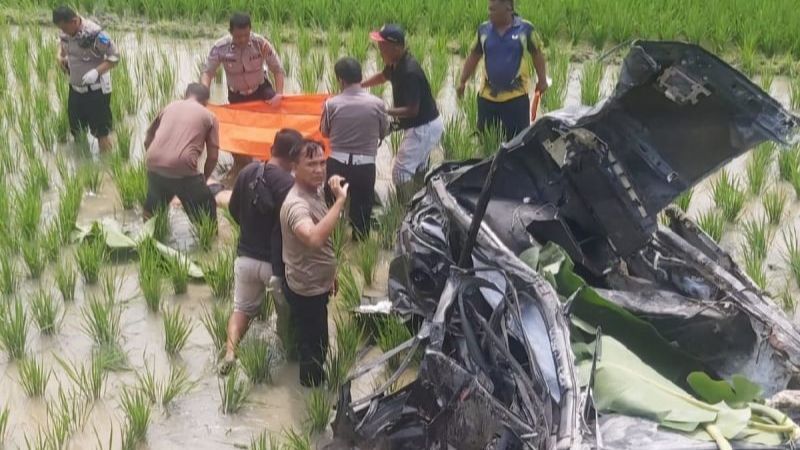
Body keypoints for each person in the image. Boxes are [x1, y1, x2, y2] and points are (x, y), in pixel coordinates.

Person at [218, 128, 302, 375]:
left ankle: (231, 350)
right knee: (286, 316)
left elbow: (233, 209)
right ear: (294, 158)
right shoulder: (289, 184)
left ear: (271, 149)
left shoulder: (246, 172)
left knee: (241, 309)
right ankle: (287, 365)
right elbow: (294, 227)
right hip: (275, 265)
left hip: (244, 259)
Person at [280, 140, 349, 387]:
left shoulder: (314, 191)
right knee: (315, 348)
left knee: (308, 339)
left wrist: (330, 273)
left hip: (315, 282)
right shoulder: (296, 204)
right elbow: (313, 238)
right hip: (306, 290)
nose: (319, 169)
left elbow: (322, 243)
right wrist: (340, 201)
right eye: (311, 164)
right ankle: (311, 403)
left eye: (322, 162)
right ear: (294, 167)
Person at [201, 12, 286, 180]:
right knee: (237, 132)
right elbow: (207, 73)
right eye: (238, 36)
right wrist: (204, 97)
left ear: (250, 31)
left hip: (262, 91)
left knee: (269, 128)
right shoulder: (220, 47)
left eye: (246, 35)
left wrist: (280, 94)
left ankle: (268, 163)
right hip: (237, 95)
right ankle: (240, 165)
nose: (242, 39)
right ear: (230, 32)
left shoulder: (260, 43)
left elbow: (278, 69)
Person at [362, 24, 443, 194]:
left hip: (424, 127)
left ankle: (405, 211)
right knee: (419, 165)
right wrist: (360, 85)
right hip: (423, 123)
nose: (379, 49)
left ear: (396, 47)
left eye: (383, 46)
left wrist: (383, 110)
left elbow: (412, 110)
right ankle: (421, 197)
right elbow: (383, 77)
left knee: (400, 172)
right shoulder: (395, 63)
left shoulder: (409, 71)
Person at [456, 0, 549, 140]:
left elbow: (537, 54)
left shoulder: (526, 29)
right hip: (487, 98)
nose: (489, 13)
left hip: (516, 99)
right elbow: (473, 56)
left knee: (517, 144)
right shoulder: (483, 30)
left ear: (508, 8)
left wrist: (542, 80)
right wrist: (462, 81)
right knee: (486, 141)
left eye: (492, 9)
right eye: (489, 9)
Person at [321, 57, 390, 239]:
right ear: (360, 77)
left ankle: (334, 244)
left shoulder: (331, 104)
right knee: (362, 214)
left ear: (340, 80)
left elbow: (324, 132)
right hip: (365, 166)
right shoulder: (378, 104)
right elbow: (384, 131)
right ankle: (359, 248)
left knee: (333, 208)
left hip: (337, 164)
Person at [143, 83, 219, 224]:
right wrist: (204, 179)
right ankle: (209, 242)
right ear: (206, 102)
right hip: (183, 168)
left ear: (186, 95)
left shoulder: (169, 106)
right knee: (207, 213)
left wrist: (157, 161)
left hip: (154, 163)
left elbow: (148, 138)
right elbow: (213, 157)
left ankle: (146, 238)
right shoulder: (209, 115)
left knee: (152, 209)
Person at [53, 5, 119, 153]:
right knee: (77, 131)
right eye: (60, 28)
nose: (62, 31)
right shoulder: (65, 32)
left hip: (96, 92)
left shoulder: (95, 34)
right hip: (75, 90)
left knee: (101, 132)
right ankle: (84, 168)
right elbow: (62, 45)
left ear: (74, 21)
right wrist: (60, 57)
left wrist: (96, 72)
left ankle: (107, 168)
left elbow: (115, 57)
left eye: (64, 27)